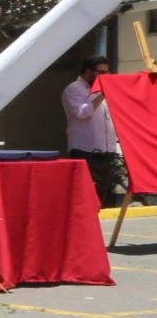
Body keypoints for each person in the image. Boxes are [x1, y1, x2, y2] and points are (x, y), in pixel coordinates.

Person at [63, 55, 127, 207]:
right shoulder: (73, 89)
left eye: (107, 72)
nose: (104, 76)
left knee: (104, 190)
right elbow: (81, 113)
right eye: (101, 72)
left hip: (107, 149)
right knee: (85, 192)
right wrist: (101, 94)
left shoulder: (106, 89)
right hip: (85, 149)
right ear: (88, 71)